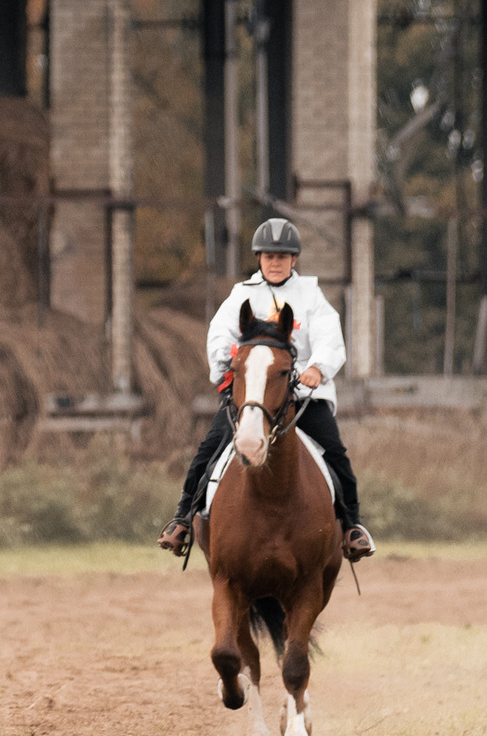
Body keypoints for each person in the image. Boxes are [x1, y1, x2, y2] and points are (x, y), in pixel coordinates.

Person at [158, 218, 376, 563]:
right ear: (259, 258)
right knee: (207, 451)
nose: (275, 263)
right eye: (268, 256)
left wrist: (318, 368)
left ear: (294, 260)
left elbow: (329, 338)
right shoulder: (242, 295)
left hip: (301, 396)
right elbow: (220, 336)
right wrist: (225, 369)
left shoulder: (311, 295)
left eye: (282, 256)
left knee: (335, 453)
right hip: (251, 398)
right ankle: (183, 518)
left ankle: (352, 526)